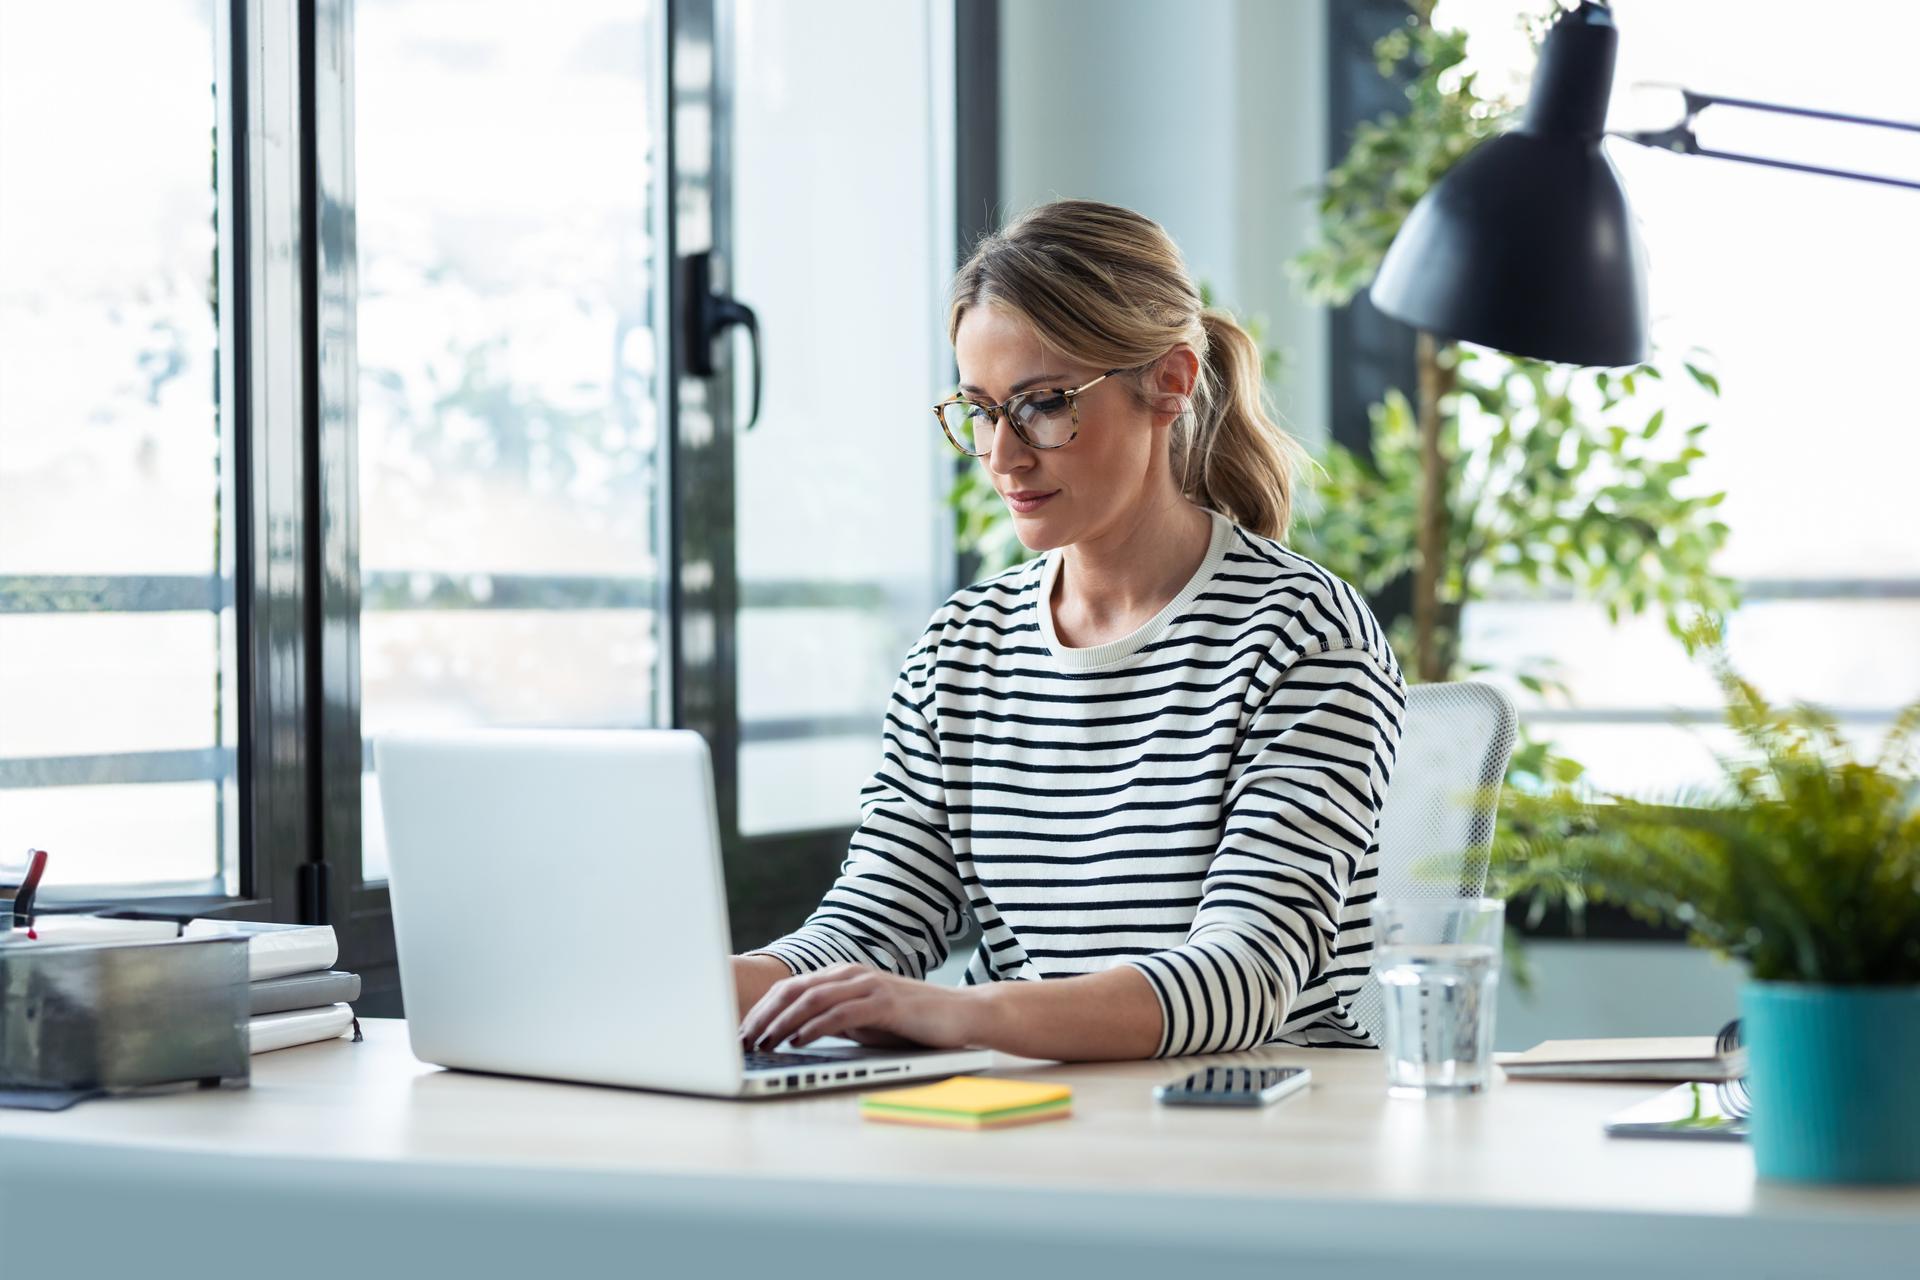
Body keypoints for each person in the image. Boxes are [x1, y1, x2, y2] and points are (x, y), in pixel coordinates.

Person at [732, 198, 1405, 1062]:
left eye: (1043, 404)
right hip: (1031, 1121)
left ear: (1170, 381)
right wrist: (693, 985)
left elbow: (1245, 975)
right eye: (978, 410)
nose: (1003, 456)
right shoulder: (960, 651)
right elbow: (869, 932)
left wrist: (960, 1014)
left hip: (1247, 1133)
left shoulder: (1304, 636)